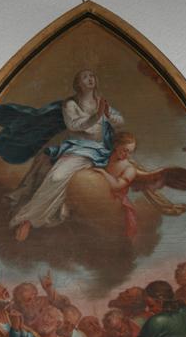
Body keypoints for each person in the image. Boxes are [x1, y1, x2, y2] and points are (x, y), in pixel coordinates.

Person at [7, 69, 124, 241]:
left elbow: (120, 121)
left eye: (91, 76)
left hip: (99, 150)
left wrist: (107, 115)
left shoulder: (101, 102)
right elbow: (74, 125)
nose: (90, 79)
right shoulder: (70, 104)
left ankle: (32, 218)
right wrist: (96, 116)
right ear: (78, 84)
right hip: (78, 148)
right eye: (85, 77)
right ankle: (26, 219)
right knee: (56, 177)